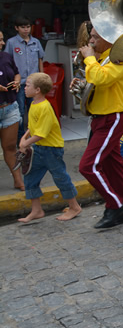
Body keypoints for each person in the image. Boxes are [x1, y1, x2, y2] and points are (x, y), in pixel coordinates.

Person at [73, 22, 123, 229]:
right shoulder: (100, 59)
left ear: (109, 39)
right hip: (100, 118)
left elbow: (101, 78)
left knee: (88, 166)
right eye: (91, 36)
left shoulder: (120, 59)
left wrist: (89, 58)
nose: (91, 41)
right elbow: (96, 85)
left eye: (96, 37)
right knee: (114, 167)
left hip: (112, 117)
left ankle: (115, 204)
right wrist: (81, 86)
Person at [17, 73, 82, 223]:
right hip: (39, 149)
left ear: (38, 89)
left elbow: (41, 133)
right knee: (30, 178)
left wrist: (25, 143)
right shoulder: (34, 104)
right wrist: (24, 137)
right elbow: (33, 126)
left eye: (27, 85)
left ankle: (74, 207)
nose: (24, 88)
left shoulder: (45, 107)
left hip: (51, 150)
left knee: (60, 178)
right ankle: (36, 210)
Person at [5, 16, 44, 142]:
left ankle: (35, 135)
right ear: (16, 28)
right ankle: (20, 137)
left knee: (35, 109)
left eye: (28, 27)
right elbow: (7, 61)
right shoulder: (11, 43)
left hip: (35, 82)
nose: (26, 30)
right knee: (20, 111)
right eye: (23, 27)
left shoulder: (36, 42)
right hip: (19, 84)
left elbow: (40, 60)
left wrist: (42, 77)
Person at [0, 30, 23, 190]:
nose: (2, 43)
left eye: (2, 39)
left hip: (9, 108)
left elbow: (17, 73)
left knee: (10, 147)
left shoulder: (6, 57)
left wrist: (16, 81)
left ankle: (18, 180)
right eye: (0, 40)